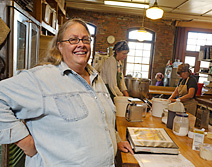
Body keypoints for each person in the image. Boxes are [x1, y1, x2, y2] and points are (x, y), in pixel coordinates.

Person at [0, 18, 133, 167]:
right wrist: (25, 142)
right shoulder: (43, 77)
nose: (81, 44)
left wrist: (114, 140)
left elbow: (101, 119)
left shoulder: (95, 77)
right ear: (60, 47)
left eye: (85, 39)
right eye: (73, 40)